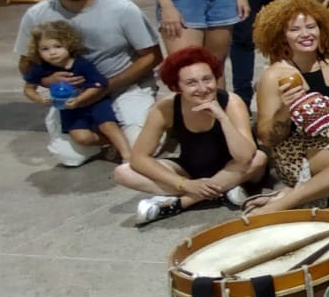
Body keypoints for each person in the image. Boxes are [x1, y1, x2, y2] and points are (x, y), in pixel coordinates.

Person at [13, 0, 160, 167]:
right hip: (73, 96)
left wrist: (103, 88)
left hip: (125, 88)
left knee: (142, 148)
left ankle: (149, 125)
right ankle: (110, 138)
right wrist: (46, 80)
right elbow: (26, 63)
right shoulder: (37, 14)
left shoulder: (122, 9)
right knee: (69, 157)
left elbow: (153, 56)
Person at [113, 47, 266, 224]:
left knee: (258, 158)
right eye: (191, 83)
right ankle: (223, 190)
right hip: (190, 169)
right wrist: (184, 183)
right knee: (122, 173)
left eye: (207, 79)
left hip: (233, 168)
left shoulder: (232, 102)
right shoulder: (165, 108)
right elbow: (139, 158)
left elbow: (245, 156)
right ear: (177, 87)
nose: (203, 88)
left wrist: (222, 118)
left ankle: (182, 203)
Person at [247, 0, 329, 214]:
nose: (305, 34)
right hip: (296, 151)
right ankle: (284, 204)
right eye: (295, 29)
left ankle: (289, 195)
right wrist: (285, 110)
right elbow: (266, 138)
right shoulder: (274, 75)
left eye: (311, 27)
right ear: (282, 36)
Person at [20, 20, 133, 163]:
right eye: (45, 49)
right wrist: (38, 98)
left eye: (58, 46)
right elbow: (28, 88)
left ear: (69, 44)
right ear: (37, 50)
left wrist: (80, 100)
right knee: (82, 138)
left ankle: (128, 156)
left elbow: (99, 85)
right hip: (69, 109)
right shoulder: (41, 68)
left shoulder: (82, 64)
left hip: (95, 102)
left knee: (107, 125)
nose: (52, 52)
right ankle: (112, 142)